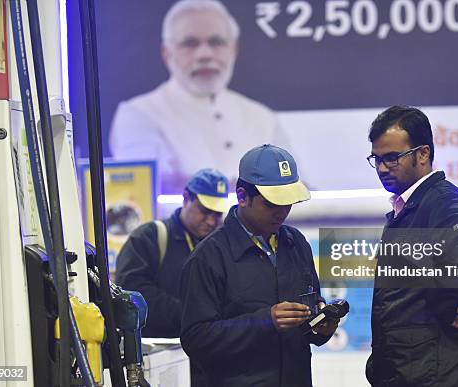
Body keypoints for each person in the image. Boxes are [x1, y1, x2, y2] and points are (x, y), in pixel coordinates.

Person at [180, 144, 338, 386]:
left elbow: (308, 322)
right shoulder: (209, 257)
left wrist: (321, 328)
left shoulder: (296, 244)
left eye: (289, 202)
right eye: (273, 204)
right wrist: (265, 321)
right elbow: (196, 339)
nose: (283, 211)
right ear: (243, 197)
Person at [365, 106, 458, 386]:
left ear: (423, 154)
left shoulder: (444, 203)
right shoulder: (412, 206)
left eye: (392, 158)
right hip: (410, 372)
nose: (382, 168)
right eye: (376, 159)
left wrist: (445, 303)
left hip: (434, 376)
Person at [109, 0, 288, 193]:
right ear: (167, 53)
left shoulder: (262, 117)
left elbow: (298, 188)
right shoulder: (138, 115)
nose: (204, 54)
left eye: (216, 42)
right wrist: (261, 191)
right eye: (190, 44)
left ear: (233, 50)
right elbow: (154, 186)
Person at [114, 168, 229, 386]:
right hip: (160, 360)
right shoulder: (149, 238)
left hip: (209, 365)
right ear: (186, 197)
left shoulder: (221, 245)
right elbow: (132, 294)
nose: (212, 220)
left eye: (217, 214)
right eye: (205, 210)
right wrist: (192, 315)